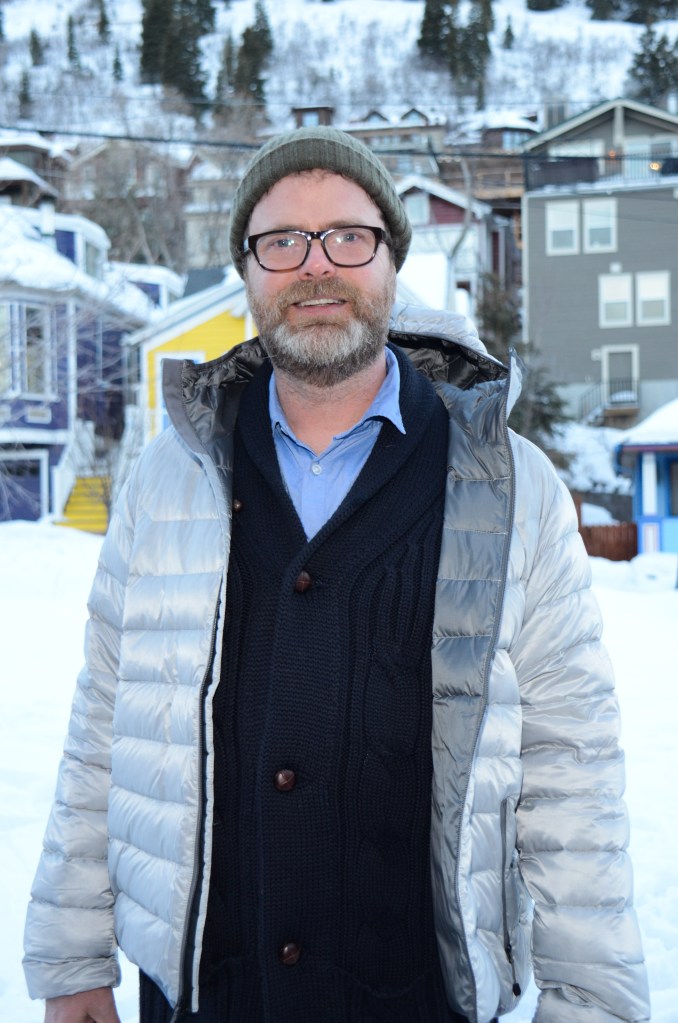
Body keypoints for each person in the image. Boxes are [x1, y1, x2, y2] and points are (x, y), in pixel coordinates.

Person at [24, 127, 650, 1023]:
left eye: (348, 236)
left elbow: (571, 764)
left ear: (393, 260)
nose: (315, 265)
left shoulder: (513, 487)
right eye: (281, 241)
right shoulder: (168, 480)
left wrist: (591, 997)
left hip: (417, 999)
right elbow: (104, 727)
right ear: (246, 271)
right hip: (207, 997)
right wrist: (72, 954)